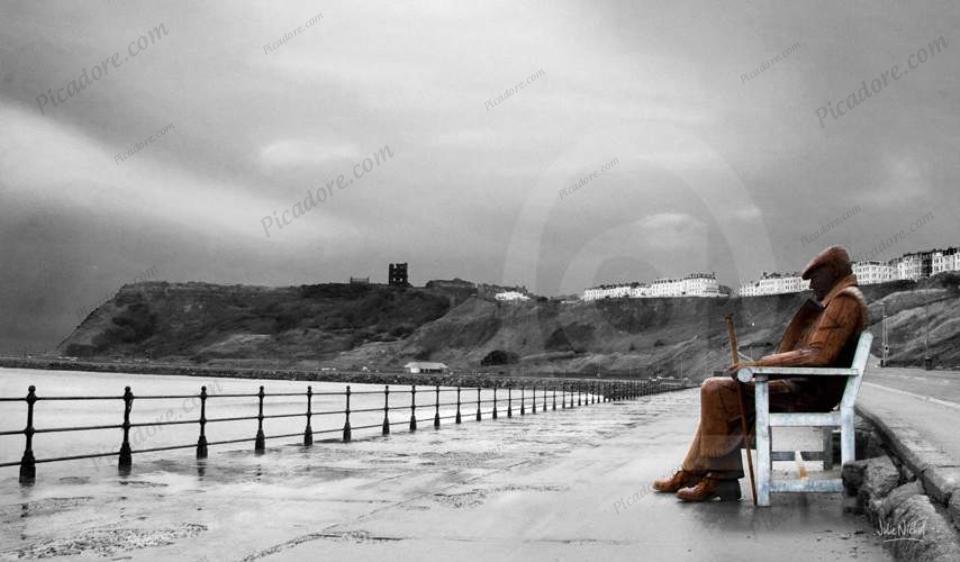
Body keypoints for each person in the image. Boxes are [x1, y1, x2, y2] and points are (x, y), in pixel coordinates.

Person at [652, 245, 869, 502]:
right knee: (718, 394)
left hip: (809, 393)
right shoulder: (840, 300)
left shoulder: (845, 301)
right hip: (806, 387)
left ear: (832, 272)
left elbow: (818, 355)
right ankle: (703, 475)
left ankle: (717, 478)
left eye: (814, 277)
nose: (810, 285)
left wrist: (759, 365)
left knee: (716, 390)